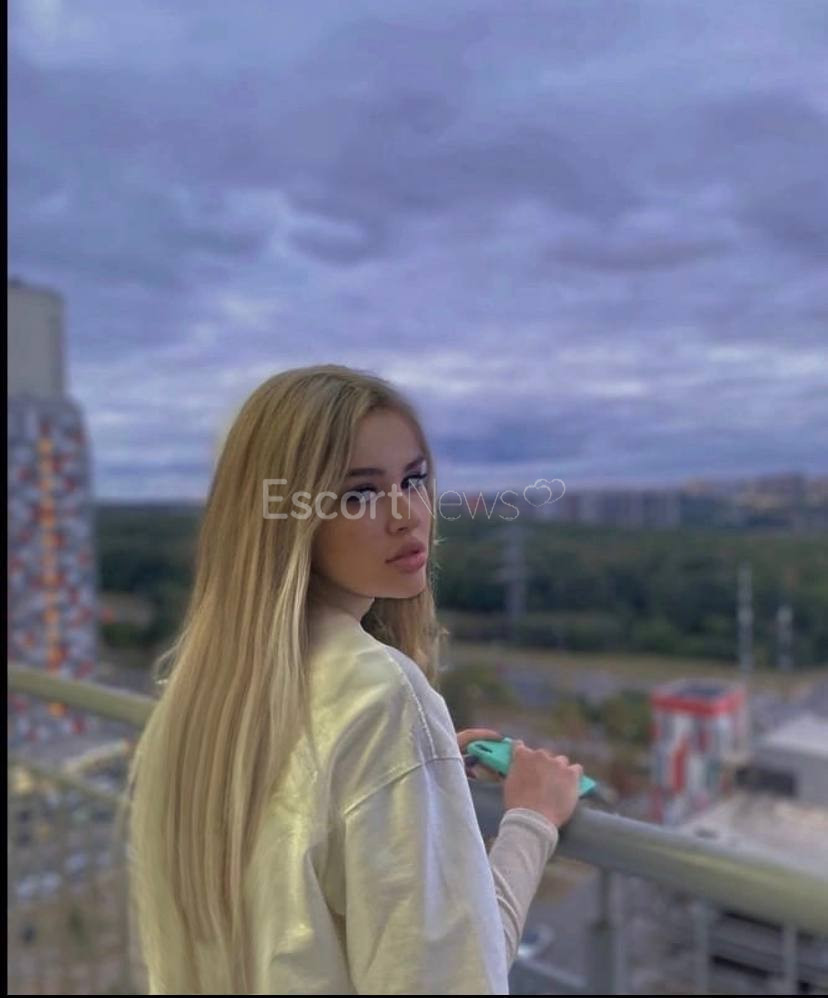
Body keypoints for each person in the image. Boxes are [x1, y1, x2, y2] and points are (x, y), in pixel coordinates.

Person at [117, 364, 583, 994]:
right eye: (359, 494)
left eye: (414, 479)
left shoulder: (202, 698)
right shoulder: (381, 697)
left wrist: (421, 769)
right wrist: (532, 821)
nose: (408, 514)